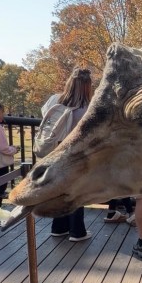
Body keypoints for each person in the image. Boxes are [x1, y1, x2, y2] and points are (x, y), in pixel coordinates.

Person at [45, 68, 93, 242]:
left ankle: (58, 227)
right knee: (76, 192)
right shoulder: (87, 108)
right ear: (88, 86)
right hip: (76, 154)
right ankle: (77, 231)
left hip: (54, 153)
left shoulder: (54, 100)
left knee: (59, 191)